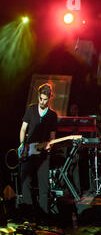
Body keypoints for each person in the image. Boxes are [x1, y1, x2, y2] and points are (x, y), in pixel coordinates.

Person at [18, 83, 58, 225]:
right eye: (41, 99)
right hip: (28, 151)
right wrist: (22, 145)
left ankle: (43, 217)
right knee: (25, 182)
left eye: (45, 99)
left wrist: (50, 145)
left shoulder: (52, 115)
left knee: (43, 187)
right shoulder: (31, 110)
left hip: (43, 154)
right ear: (38, 96)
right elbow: (23, 129)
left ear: (49, 99)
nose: (42, 102)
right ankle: (28, 215)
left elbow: (53, 136)